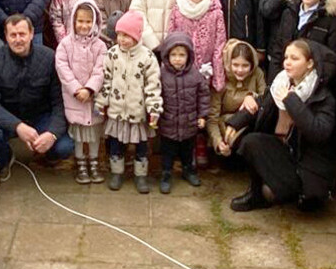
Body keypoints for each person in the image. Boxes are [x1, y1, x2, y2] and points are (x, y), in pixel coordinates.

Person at [225, 39, 336, 212]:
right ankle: (256, 194)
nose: (287, 63)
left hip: (306, 164)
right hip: (283, 152)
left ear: (310, 64)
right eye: (286, 58)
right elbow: (261, 103)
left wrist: (291, 100)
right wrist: (235, 123)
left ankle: (299, 193)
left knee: (303, 202)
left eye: (294, 58)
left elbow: (319, 132)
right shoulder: (282, 83)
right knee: (250, 141)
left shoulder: (323, 96)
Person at [0, 16, 73, 167]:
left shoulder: (49, 57)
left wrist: (52, 134)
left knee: (64, 147)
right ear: (6, 36)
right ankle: (6, 158)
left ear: (31, 34)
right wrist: (17, 126)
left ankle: (45, 155)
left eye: (22, 34)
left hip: (40, 116)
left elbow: (59, 103)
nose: (18, 39)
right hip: (7, 117)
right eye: (13, 35)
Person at [96, 12, 163, 193]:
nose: (122, 39)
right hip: (117, 111)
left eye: (127, 35)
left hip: (138, 113)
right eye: (119, 35)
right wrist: (101, 103)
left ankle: (141, 176)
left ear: (137, 36)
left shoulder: (148, 57)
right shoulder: (112, 55)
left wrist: (154, 109)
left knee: (141, 147)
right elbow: (106, 81)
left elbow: (153, 85)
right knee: (116, 145)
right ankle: (117, 172)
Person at [56, 0, 107, 184]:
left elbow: (101, 70)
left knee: (93, 133)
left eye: (88, 22)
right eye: (80, 21)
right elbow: (62, 67)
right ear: (73, 21)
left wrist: (90, 88)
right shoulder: (65, 45)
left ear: (94, 22)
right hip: (74, 99)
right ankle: (81, 163)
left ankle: (93, 162)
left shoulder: (100, 46)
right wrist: (77, 89)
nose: (84, 26)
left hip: (93, 99)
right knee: (78, 134)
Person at [154, 32, 208, 194]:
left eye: (182, 55)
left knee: (187, 150)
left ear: (189, 56)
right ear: (166, 55)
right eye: (174, 55)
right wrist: (155, 115)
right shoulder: (161, 75)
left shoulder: (195, 75)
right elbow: (156, 95)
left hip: (189, 123)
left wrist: (202, 116)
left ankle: (188, 170)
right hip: (168, 123)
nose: (178, 59)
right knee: (167, 152)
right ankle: (166, 173)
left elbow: (203, 95)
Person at [265, 0, 336, 76]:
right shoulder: (289, 13)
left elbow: (331, 60)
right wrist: (274, 82)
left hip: (313, 82)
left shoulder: (331, 20)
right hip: (285, 78)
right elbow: (278, 50)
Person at [166, 0, 228, 93]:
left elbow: (219, 46)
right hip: (181, 70)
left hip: (205, 71)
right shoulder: (178, 9)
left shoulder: (215, 12)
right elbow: (170, 41)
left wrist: (218, 78)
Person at [207, 39, 267, 161]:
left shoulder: (257, 74)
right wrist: (218, 142)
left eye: (245, 65)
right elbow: (212, 117)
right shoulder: (221, 79)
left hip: (250, 124)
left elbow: (266, 100)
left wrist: (251, 96)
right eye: (235, 65)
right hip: (226, 129)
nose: (240, 70)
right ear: (229, 63)